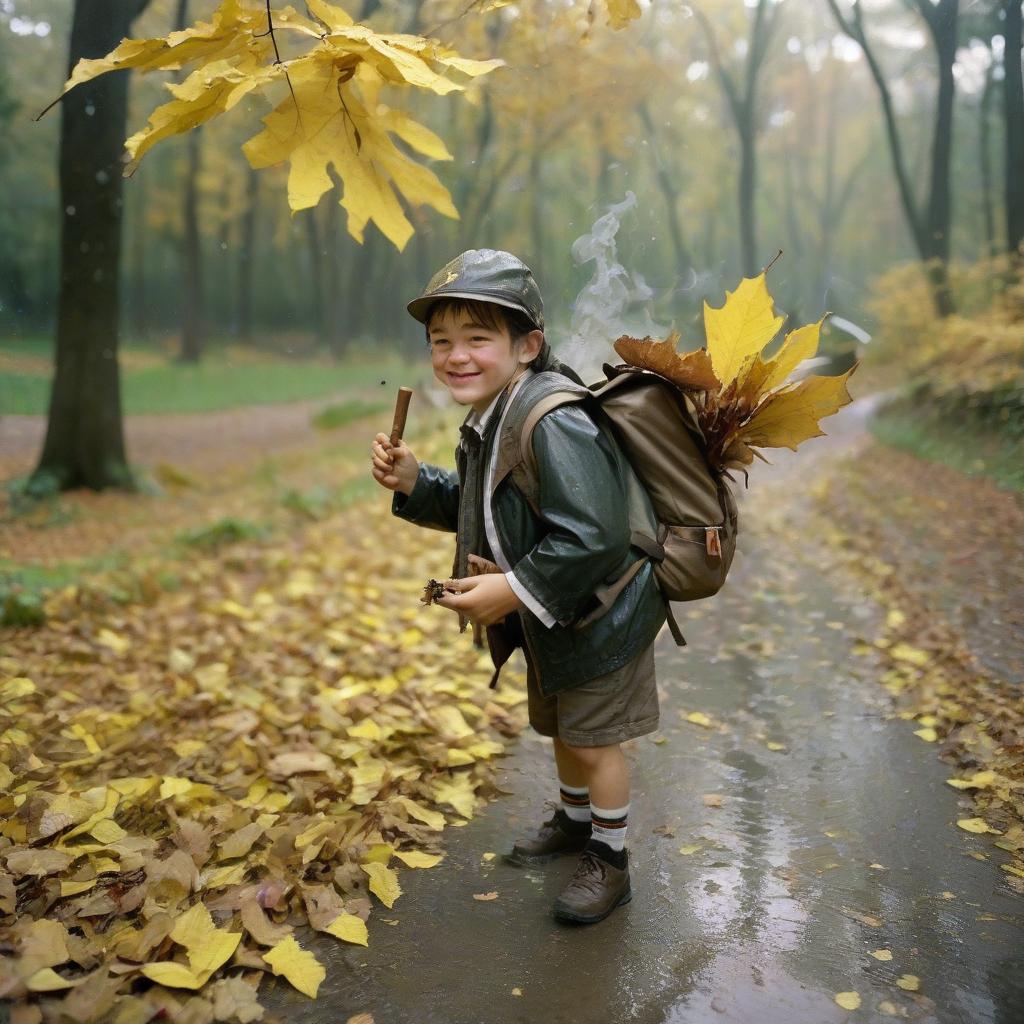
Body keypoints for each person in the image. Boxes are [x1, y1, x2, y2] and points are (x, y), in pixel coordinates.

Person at [370, 249, 666, 925]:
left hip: (603, 613)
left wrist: (514, 589)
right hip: (555, 612)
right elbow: (485, 507)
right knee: (562, 726)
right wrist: (419, 482)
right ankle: (572, 822)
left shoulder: (550, 418)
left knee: (595, 741)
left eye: (478, 338)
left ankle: (612, 862)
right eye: (441, 341)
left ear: (527, 345)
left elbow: (592, 535)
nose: (455, 356)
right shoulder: (491, 416)